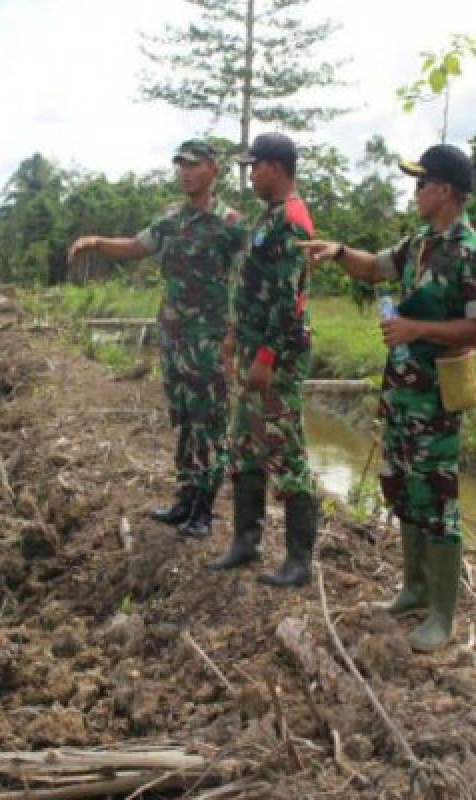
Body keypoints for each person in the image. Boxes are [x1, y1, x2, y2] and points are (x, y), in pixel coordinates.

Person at [301, 144, 476, 652]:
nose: (414, 193)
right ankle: (413, 589)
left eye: (421, 184)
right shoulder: (419, 244)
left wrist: (415, 329)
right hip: (403, 394)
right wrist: (340, 252)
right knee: (405, 492)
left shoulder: (472, 251)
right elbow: (374, 268)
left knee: (437, 501)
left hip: (436, 397)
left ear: (445, 191)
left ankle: (442, 615)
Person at [69, 139, 245, 538]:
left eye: (194, 164)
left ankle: (204, 509)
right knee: (183, 420)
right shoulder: (169, 221)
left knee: (210, 424)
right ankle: (184, 500)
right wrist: (96, 242)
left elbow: (248, 283)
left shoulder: (230, 224)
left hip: (209, 341)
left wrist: (233, 338)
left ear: (212, 171)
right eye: (181, 164)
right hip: (173, 339)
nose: (185, 171)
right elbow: (134, 247)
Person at [208, 132, 318, 588]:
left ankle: (298, 560)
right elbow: (252, 287)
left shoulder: (290, 221)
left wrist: (267, 356)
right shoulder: (268, 217)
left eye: (254, 166)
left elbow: (288, 299)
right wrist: (235, 335)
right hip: (255, 348)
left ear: (275, 167)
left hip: (278, 356)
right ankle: (245, 540)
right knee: (245, 446)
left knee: (285, 449)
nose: (250, 175)